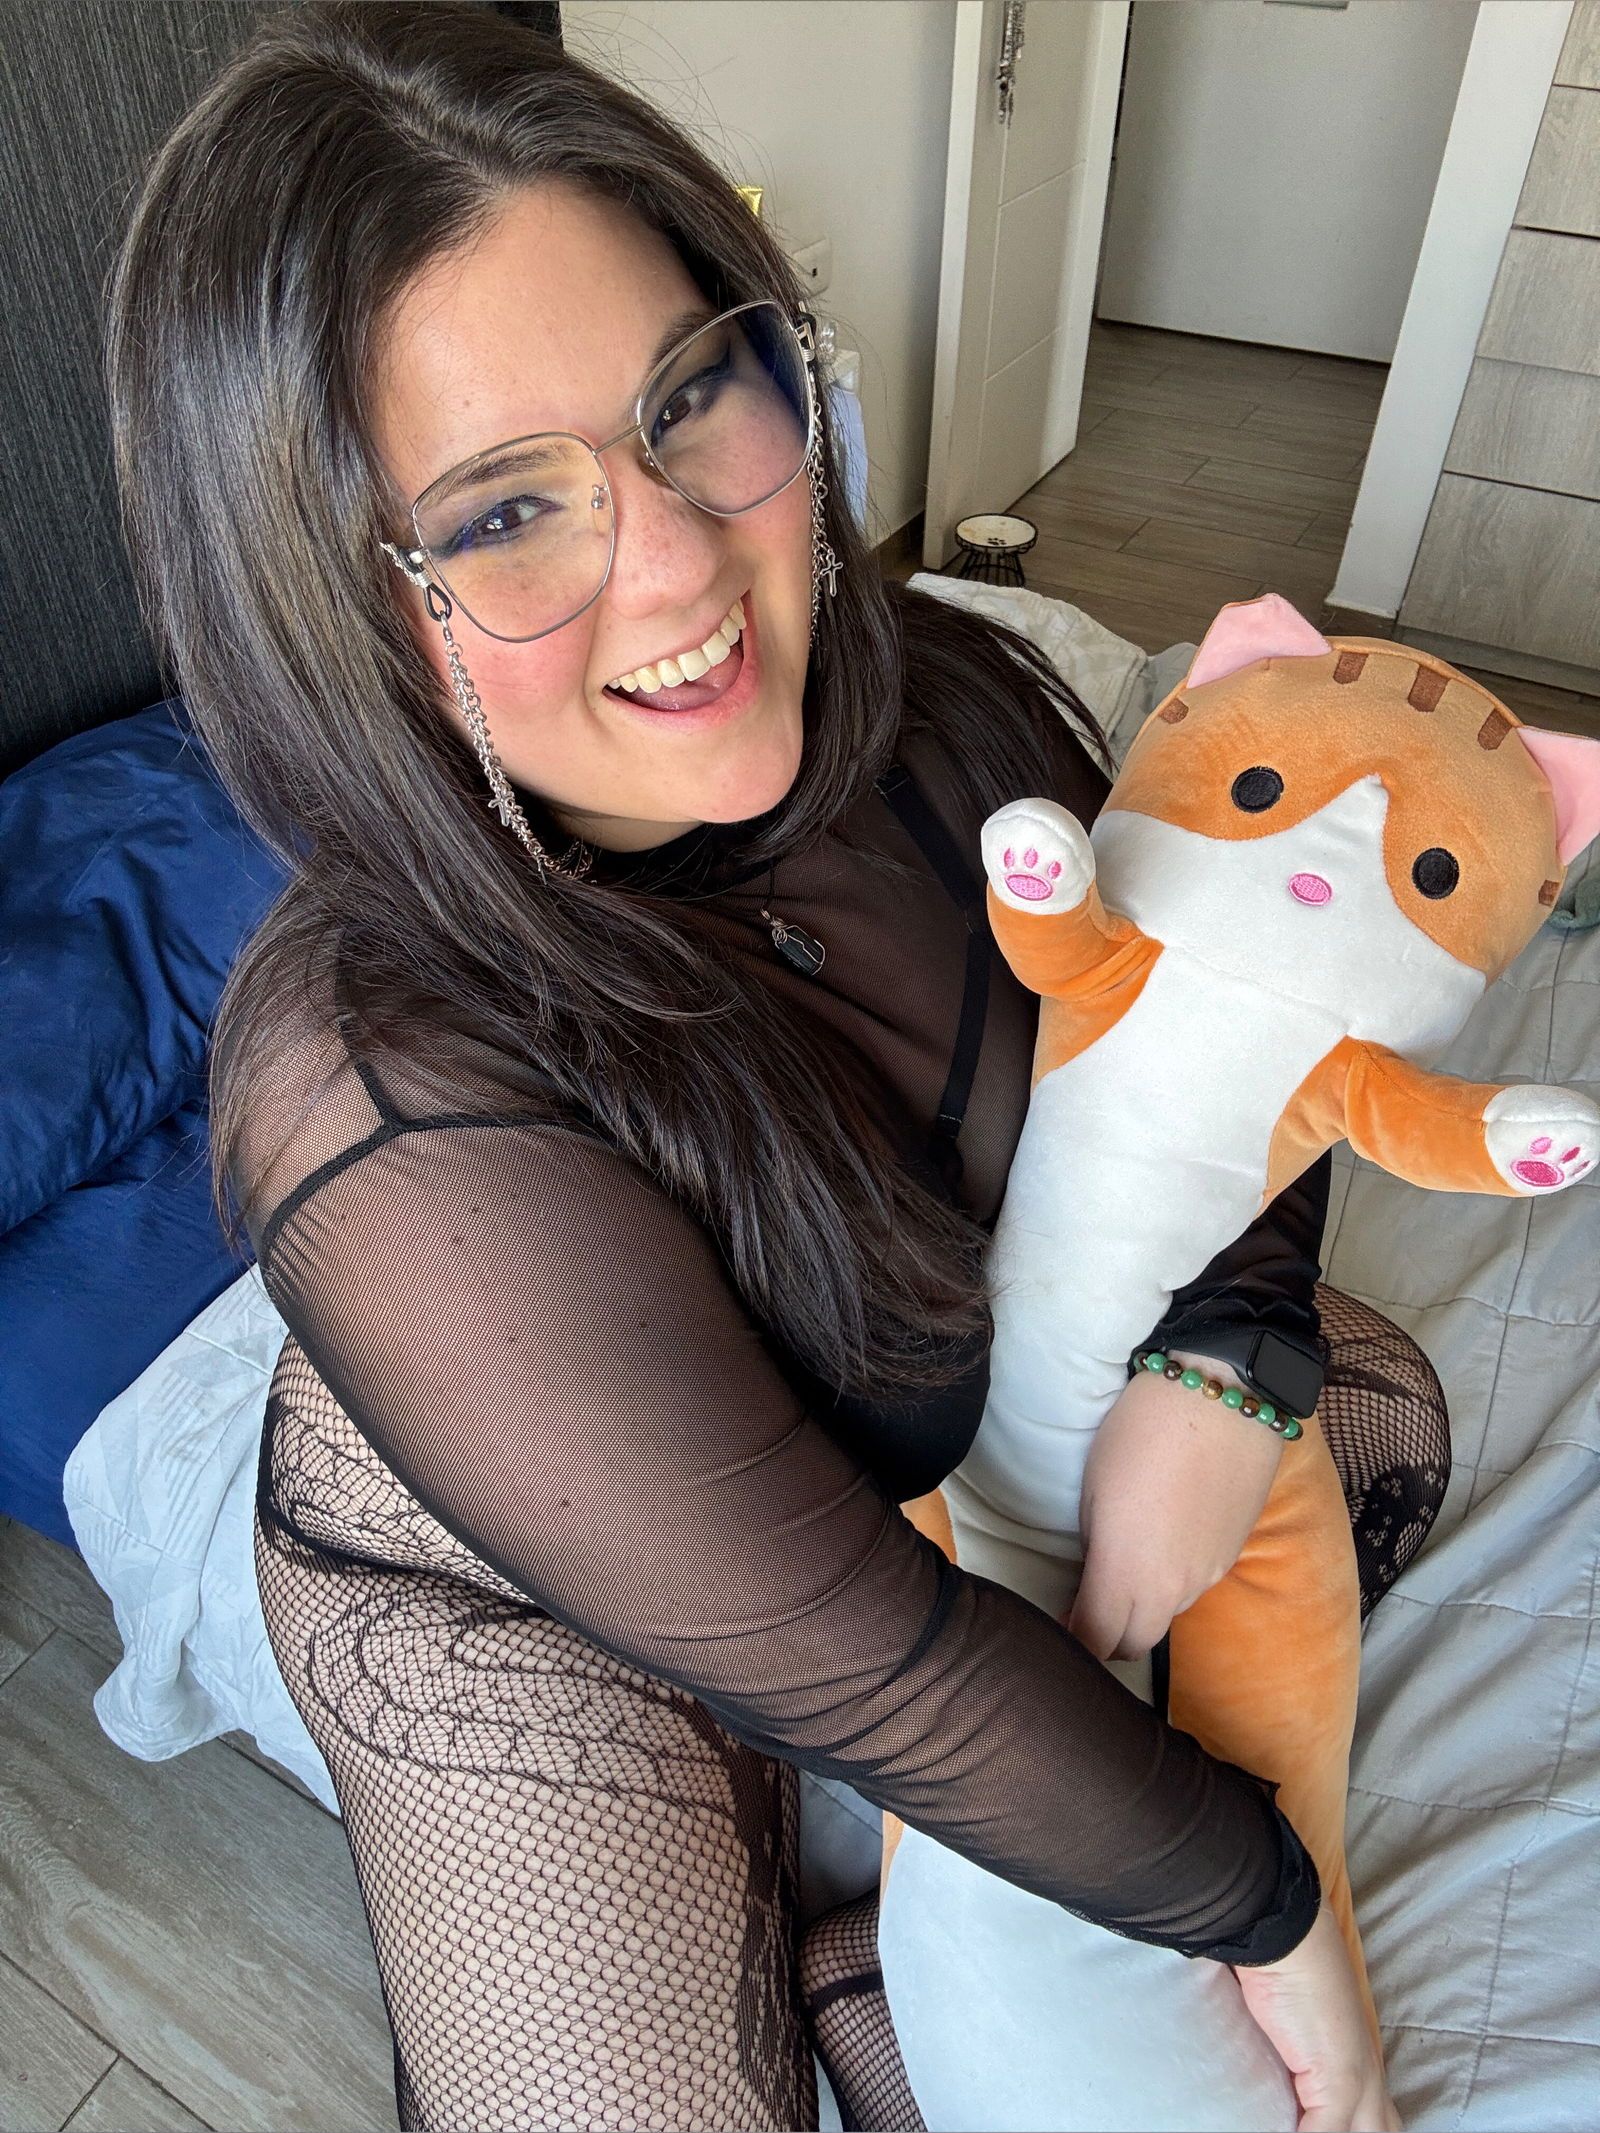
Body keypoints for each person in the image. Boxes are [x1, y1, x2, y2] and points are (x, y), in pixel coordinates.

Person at [104, 5, 1448, 2127]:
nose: (674, 562)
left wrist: (1224, 1355)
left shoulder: (972, 716)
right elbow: (881, 1664)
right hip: (532, 1572)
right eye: (502, 510)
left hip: (897, 1441)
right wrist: (1282, 1922)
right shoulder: (387, 1093)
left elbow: (1234, 1046)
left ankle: (851, 1950)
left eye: (686, 399)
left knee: (1364, 1407)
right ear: (327, 608)